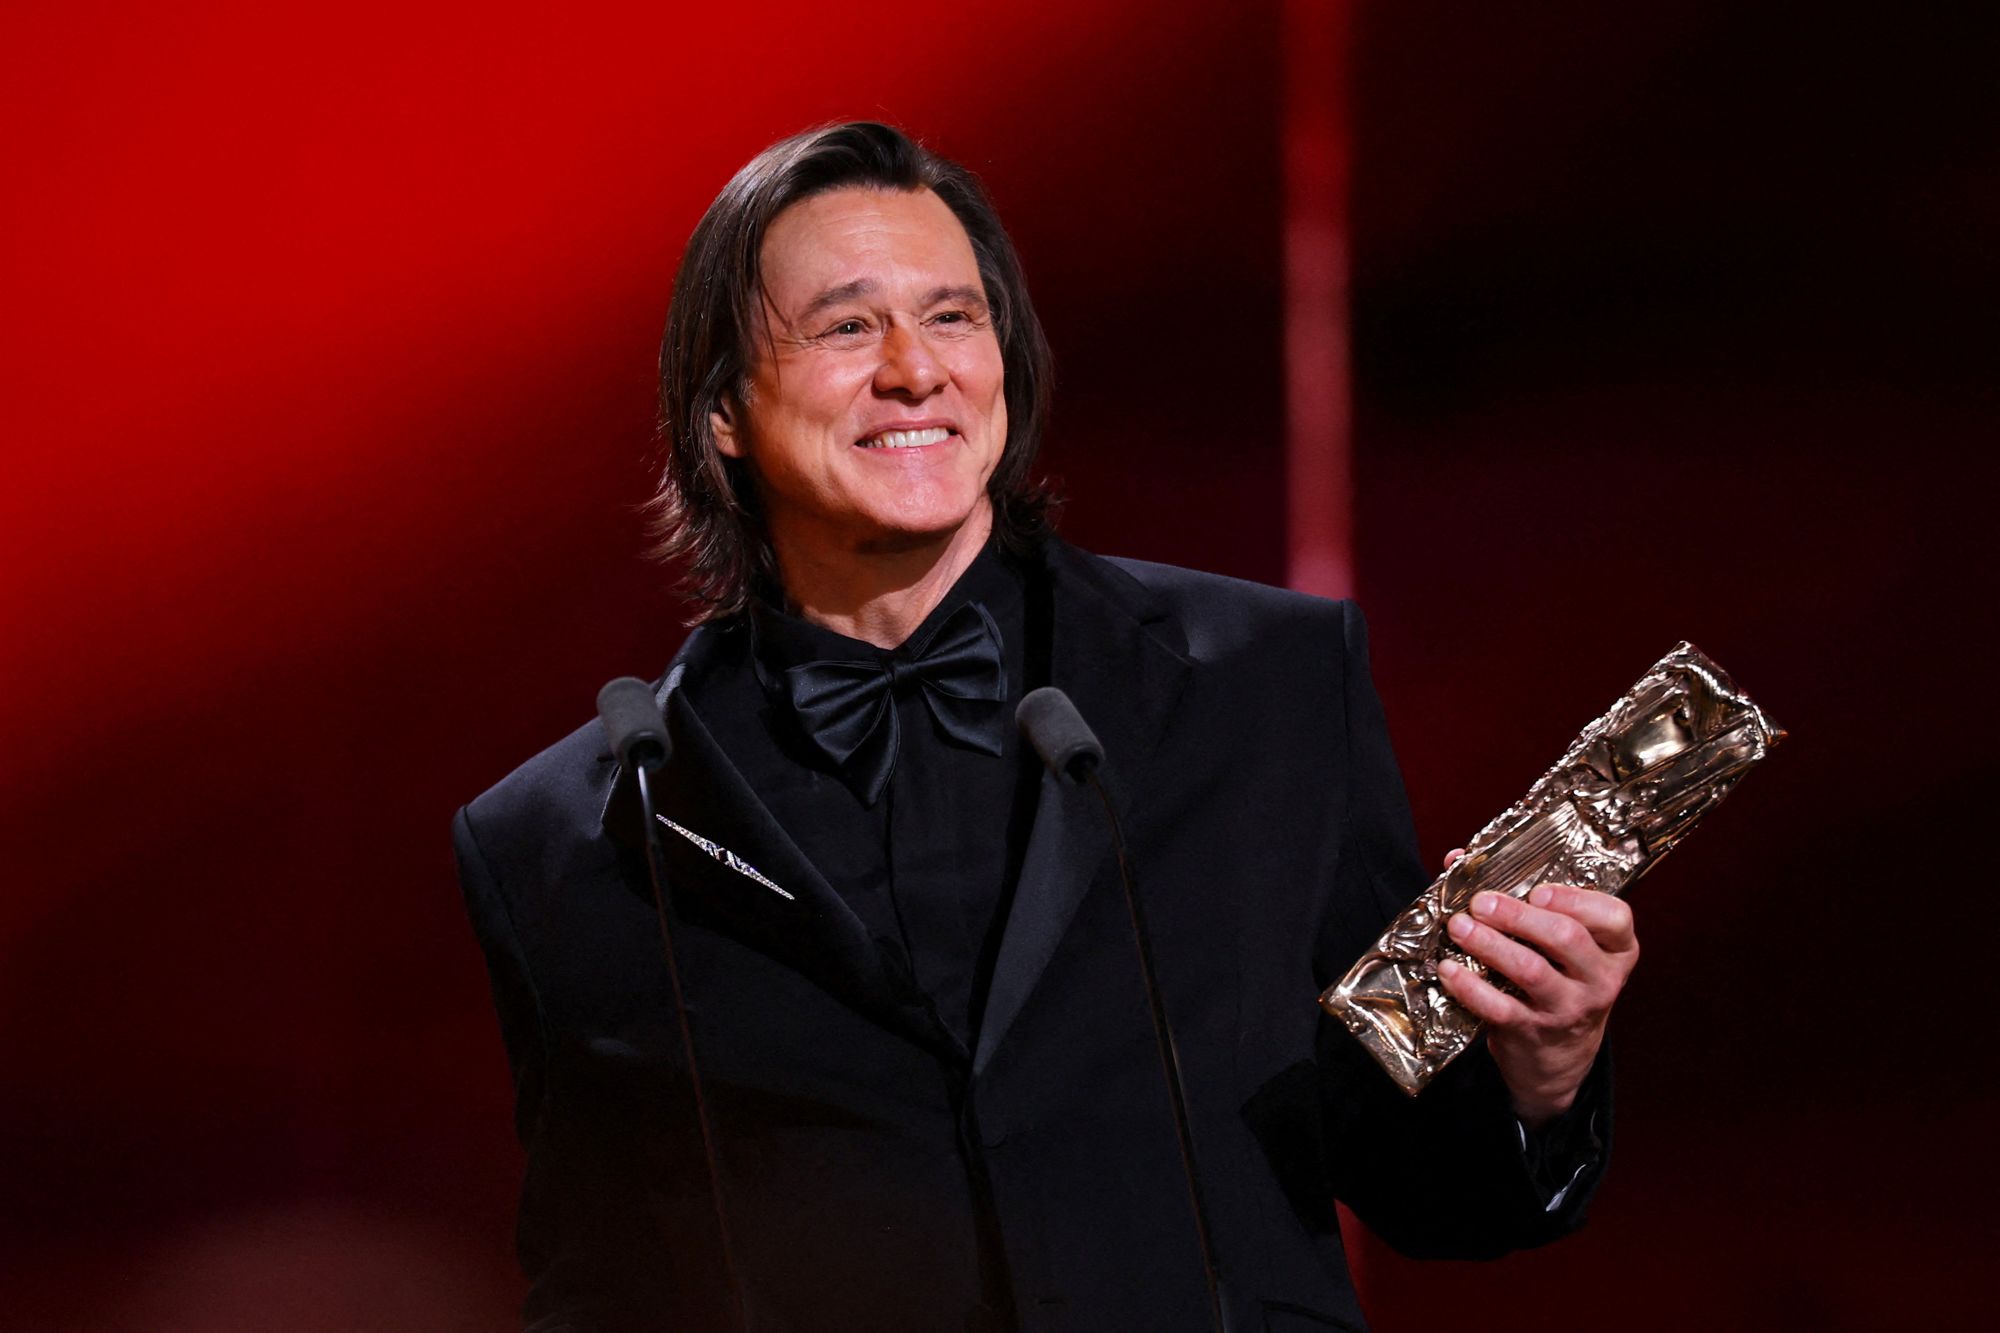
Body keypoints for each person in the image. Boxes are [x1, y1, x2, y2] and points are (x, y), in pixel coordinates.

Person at [453, 121, 1639, 1333]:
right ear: (719, 412)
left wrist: (1540, 1073)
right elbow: (597, 1286)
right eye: (846, 325)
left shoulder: (1263, 686)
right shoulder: (571, 836)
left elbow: (1421, 1183)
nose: (916, 369)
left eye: (954, 317)